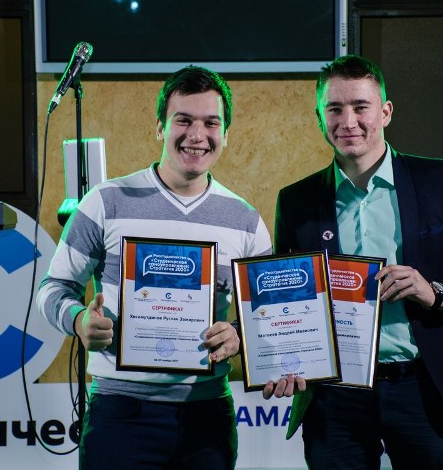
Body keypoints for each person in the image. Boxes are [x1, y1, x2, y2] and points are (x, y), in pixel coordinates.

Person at [264, 55, 443, 469]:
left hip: (424, 387)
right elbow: (286, 300)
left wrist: (434, 293)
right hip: (335, 396)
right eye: (335, 109)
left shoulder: (441, 180)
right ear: (319, 118)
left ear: (385, 112)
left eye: (360, 107)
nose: (348, 121)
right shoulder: (296, 200)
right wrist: (284, 358)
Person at [37, 65, 272, 470]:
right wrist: (78, 320)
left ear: (226, 134)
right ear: (160, 127)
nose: (196, 135)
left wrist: (238, 335)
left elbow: (265, 318)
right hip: (121, 414)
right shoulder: (105, 201)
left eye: (210, 123)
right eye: (183, 120)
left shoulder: (246, 220)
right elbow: (52, 288)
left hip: (207, 418)